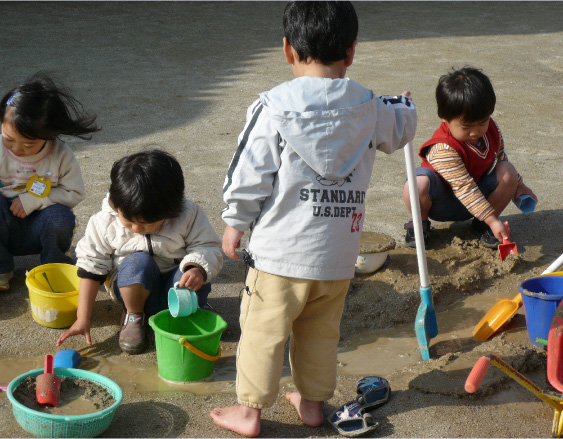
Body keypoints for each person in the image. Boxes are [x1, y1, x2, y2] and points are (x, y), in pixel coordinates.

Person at [210, 2, 417, 437]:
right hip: (338, 254)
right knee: (321, 333)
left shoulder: (272, 107)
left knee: (263, 332)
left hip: (279, 255)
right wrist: (406, 107)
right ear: (352, 51)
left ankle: (249, 412)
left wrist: (234, 221)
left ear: (288, 48)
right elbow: (400, 130)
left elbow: (249, 171)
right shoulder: (370, 105)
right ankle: (312, 403)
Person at [56, 149, 223, 355]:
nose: (135, 229)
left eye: (146, 223)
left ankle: (189, 313)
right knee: (138, 262)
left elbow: (207, 246)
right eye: (129, 220)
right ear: (117, 205)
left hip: (176, 290)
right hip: (133, 292)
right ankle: (134, 316)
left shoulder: (189, 215)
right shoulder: (103, 222)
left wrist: (197, 267)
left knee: (188, 271)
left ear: (170, 211)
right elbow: (91, 267)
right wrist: (83, 318)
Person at [402, 67, 537, 249]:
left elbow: (500, 157)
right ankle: (420, 224)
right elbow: (464, 188)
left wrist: (519, 185)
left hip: (478, 196)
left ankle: (483, 225)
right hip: (443, 202)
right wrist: (492, 219)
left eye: (483, 122)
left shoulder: (492, 130)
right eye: (466, 126)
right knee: (416, 184)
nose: (476, 132)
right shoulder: (443, 147)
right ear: (445, 118)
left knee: (508, 171)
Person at [0, 71, 99, 291]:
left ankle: (54, 266)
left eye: (28, 145)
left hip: (40, 225)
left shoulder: (59, 154)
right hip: (4, 223)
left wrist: (33, 200)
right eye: (9, 140)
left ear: (51, 135)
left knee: (61, 217)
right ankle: (2, 268)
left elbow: (75, 192)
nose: (17, 149)